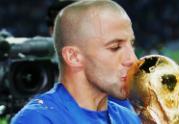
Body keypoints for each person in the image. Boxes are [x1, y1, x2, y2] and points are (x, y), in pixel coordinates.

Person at [11, 0, 141, 123]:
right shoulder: (38, 119)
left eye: (131, 44)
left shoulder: (128, 118)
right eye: (115, 47)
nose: (133, 60)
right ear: (73, 57)